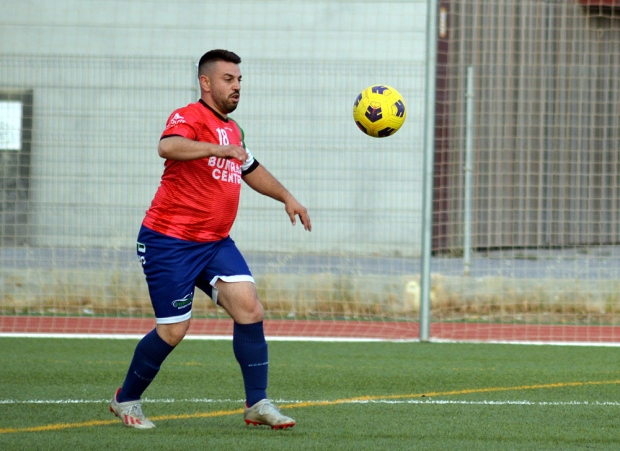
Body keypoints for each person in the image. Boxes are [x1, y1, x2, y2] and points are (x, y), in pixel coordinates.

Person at [109, 49, 311, 430]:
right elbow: (167, 146)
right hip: (169, 241)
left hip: (215, 243)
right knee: (173, 330)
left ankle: (258, 403)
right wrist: (217, 148)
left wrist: (288, 197)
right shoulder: (189, 116)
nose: (236, 87)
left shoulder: (234, 129)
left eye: (239, 80)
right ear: (206, 82)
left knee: (250, 309)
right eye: (228, 79)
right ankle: (126, 399)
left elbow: (250, 169)